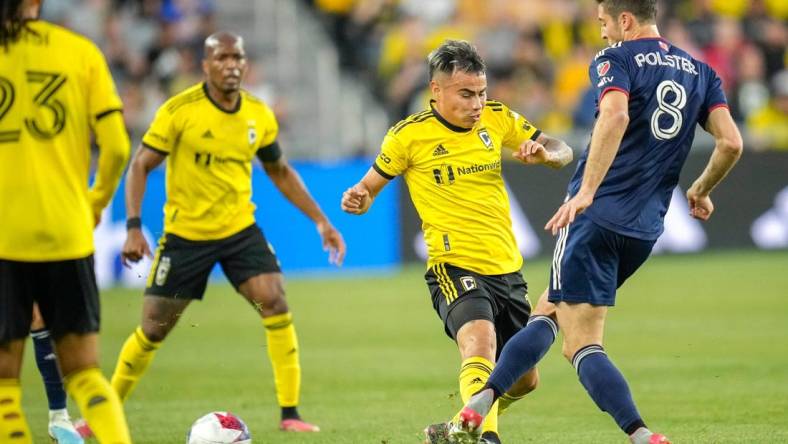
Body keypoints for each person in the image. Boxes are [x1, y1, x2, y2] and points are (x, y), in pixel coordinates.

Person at [448, 1, 743, 443]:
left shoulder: (615, 59)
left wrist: (586, 192)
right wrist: (700, 190)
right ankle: (483, 402)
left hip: (594, 216)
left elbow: (616, 114)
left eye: (604, 23)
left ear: (624, 19)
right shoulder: (700, 71)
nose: (603, 33)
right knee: (549, 306)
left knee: (580, 343)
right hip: (644, 229)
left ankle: (640, 433)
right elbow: (731, 143)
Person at [75, 31, 346, 437]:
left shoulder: (258, 113)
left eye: (237, 57)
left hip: (239, 230)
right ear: (205, 65)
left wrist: (321, 221)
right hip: (186, 235)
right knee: (152, 328)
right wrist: (133, 227)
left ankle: (290, 412)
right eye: (221, 58)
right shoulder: (179, 111)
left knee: (273, 299)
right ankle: (100, 418)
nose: (231, 65)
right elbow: (139, 166)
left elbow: (280, 172)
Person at [341, 40, 574, 444]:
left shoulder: (497, 119)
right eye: (466, 94)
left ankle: (457, 427)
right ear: (436, 90)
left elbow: (562, 147)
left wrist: (550, 156)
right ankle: (487, 439)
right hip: (454, 265)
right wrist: (358, 199)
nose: (478, 103)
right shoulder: (407, 137)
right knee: (479, 343)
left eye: (482, 93)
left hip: (506, 268)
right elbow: (366, 191)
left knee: (524, 380)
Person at [0, 0, 133, 442]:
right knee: (86, 373)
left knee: (4, 384)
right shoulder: (79, 51)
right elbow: (115, 147)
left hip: (4, 233)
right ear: (35, 3)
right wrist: (94, 202)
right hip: (66, 228)